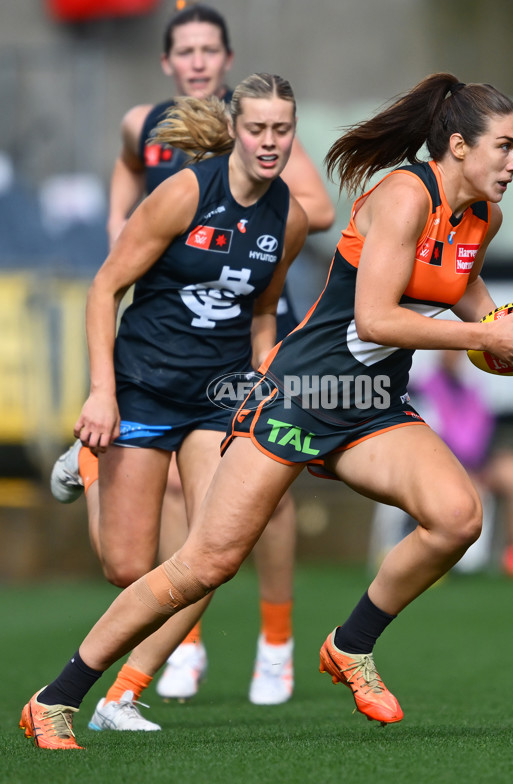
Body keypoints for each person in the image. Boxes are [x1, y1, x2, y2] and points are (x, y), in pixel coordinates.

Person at [22, 72, 513, 750]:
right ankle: (56, 697)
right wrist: (484, 336)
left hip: (367, 404)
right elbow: (377, 318)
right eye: (505, 148)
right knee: (205, 564)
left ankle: (350, 645)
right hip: (301, 395)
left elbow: (461, 287)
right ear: (458, 146)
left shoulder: (483, 215)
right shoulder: (402, 196)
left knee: (457, 518)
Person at [49, 2, 335, 716]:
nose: (270, 143)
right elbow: (105, 287)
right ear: (234, 130)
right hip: (142, 386)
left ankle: (126, 692)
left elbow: (266, 309)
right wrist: (100, 394)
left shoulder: (291, 218)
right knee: (125, 565)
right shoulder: (181, 191)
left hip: (218, 394)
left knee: (213, 553)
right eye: (259, 129)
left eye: (283, 131)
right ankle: (90, 462)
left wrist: (266, 379)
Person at [369, 349, 513, 580]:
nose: (455, 357)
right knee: (463, 484)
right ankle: (435, 555)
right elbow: (429, 435)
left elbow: (483, 429)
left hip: (478, 462)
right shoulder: (422, 388)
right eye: (450, 352)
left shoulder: (472, 387)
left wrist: (478, 464)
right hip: (439, 463)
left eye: (459, 353)